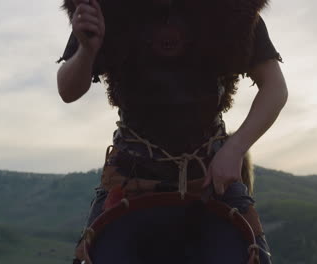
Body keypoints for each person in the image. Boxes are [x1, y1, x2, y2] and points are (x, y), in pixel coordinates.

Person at [56, 0, 287, 263]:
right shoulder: (107, 7)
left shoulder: (232, 9)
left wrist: (234, 150)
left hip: (209, 177)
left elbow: (275, 87)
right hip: (131, 175)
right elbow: (67, 90)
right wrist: (86, 51)